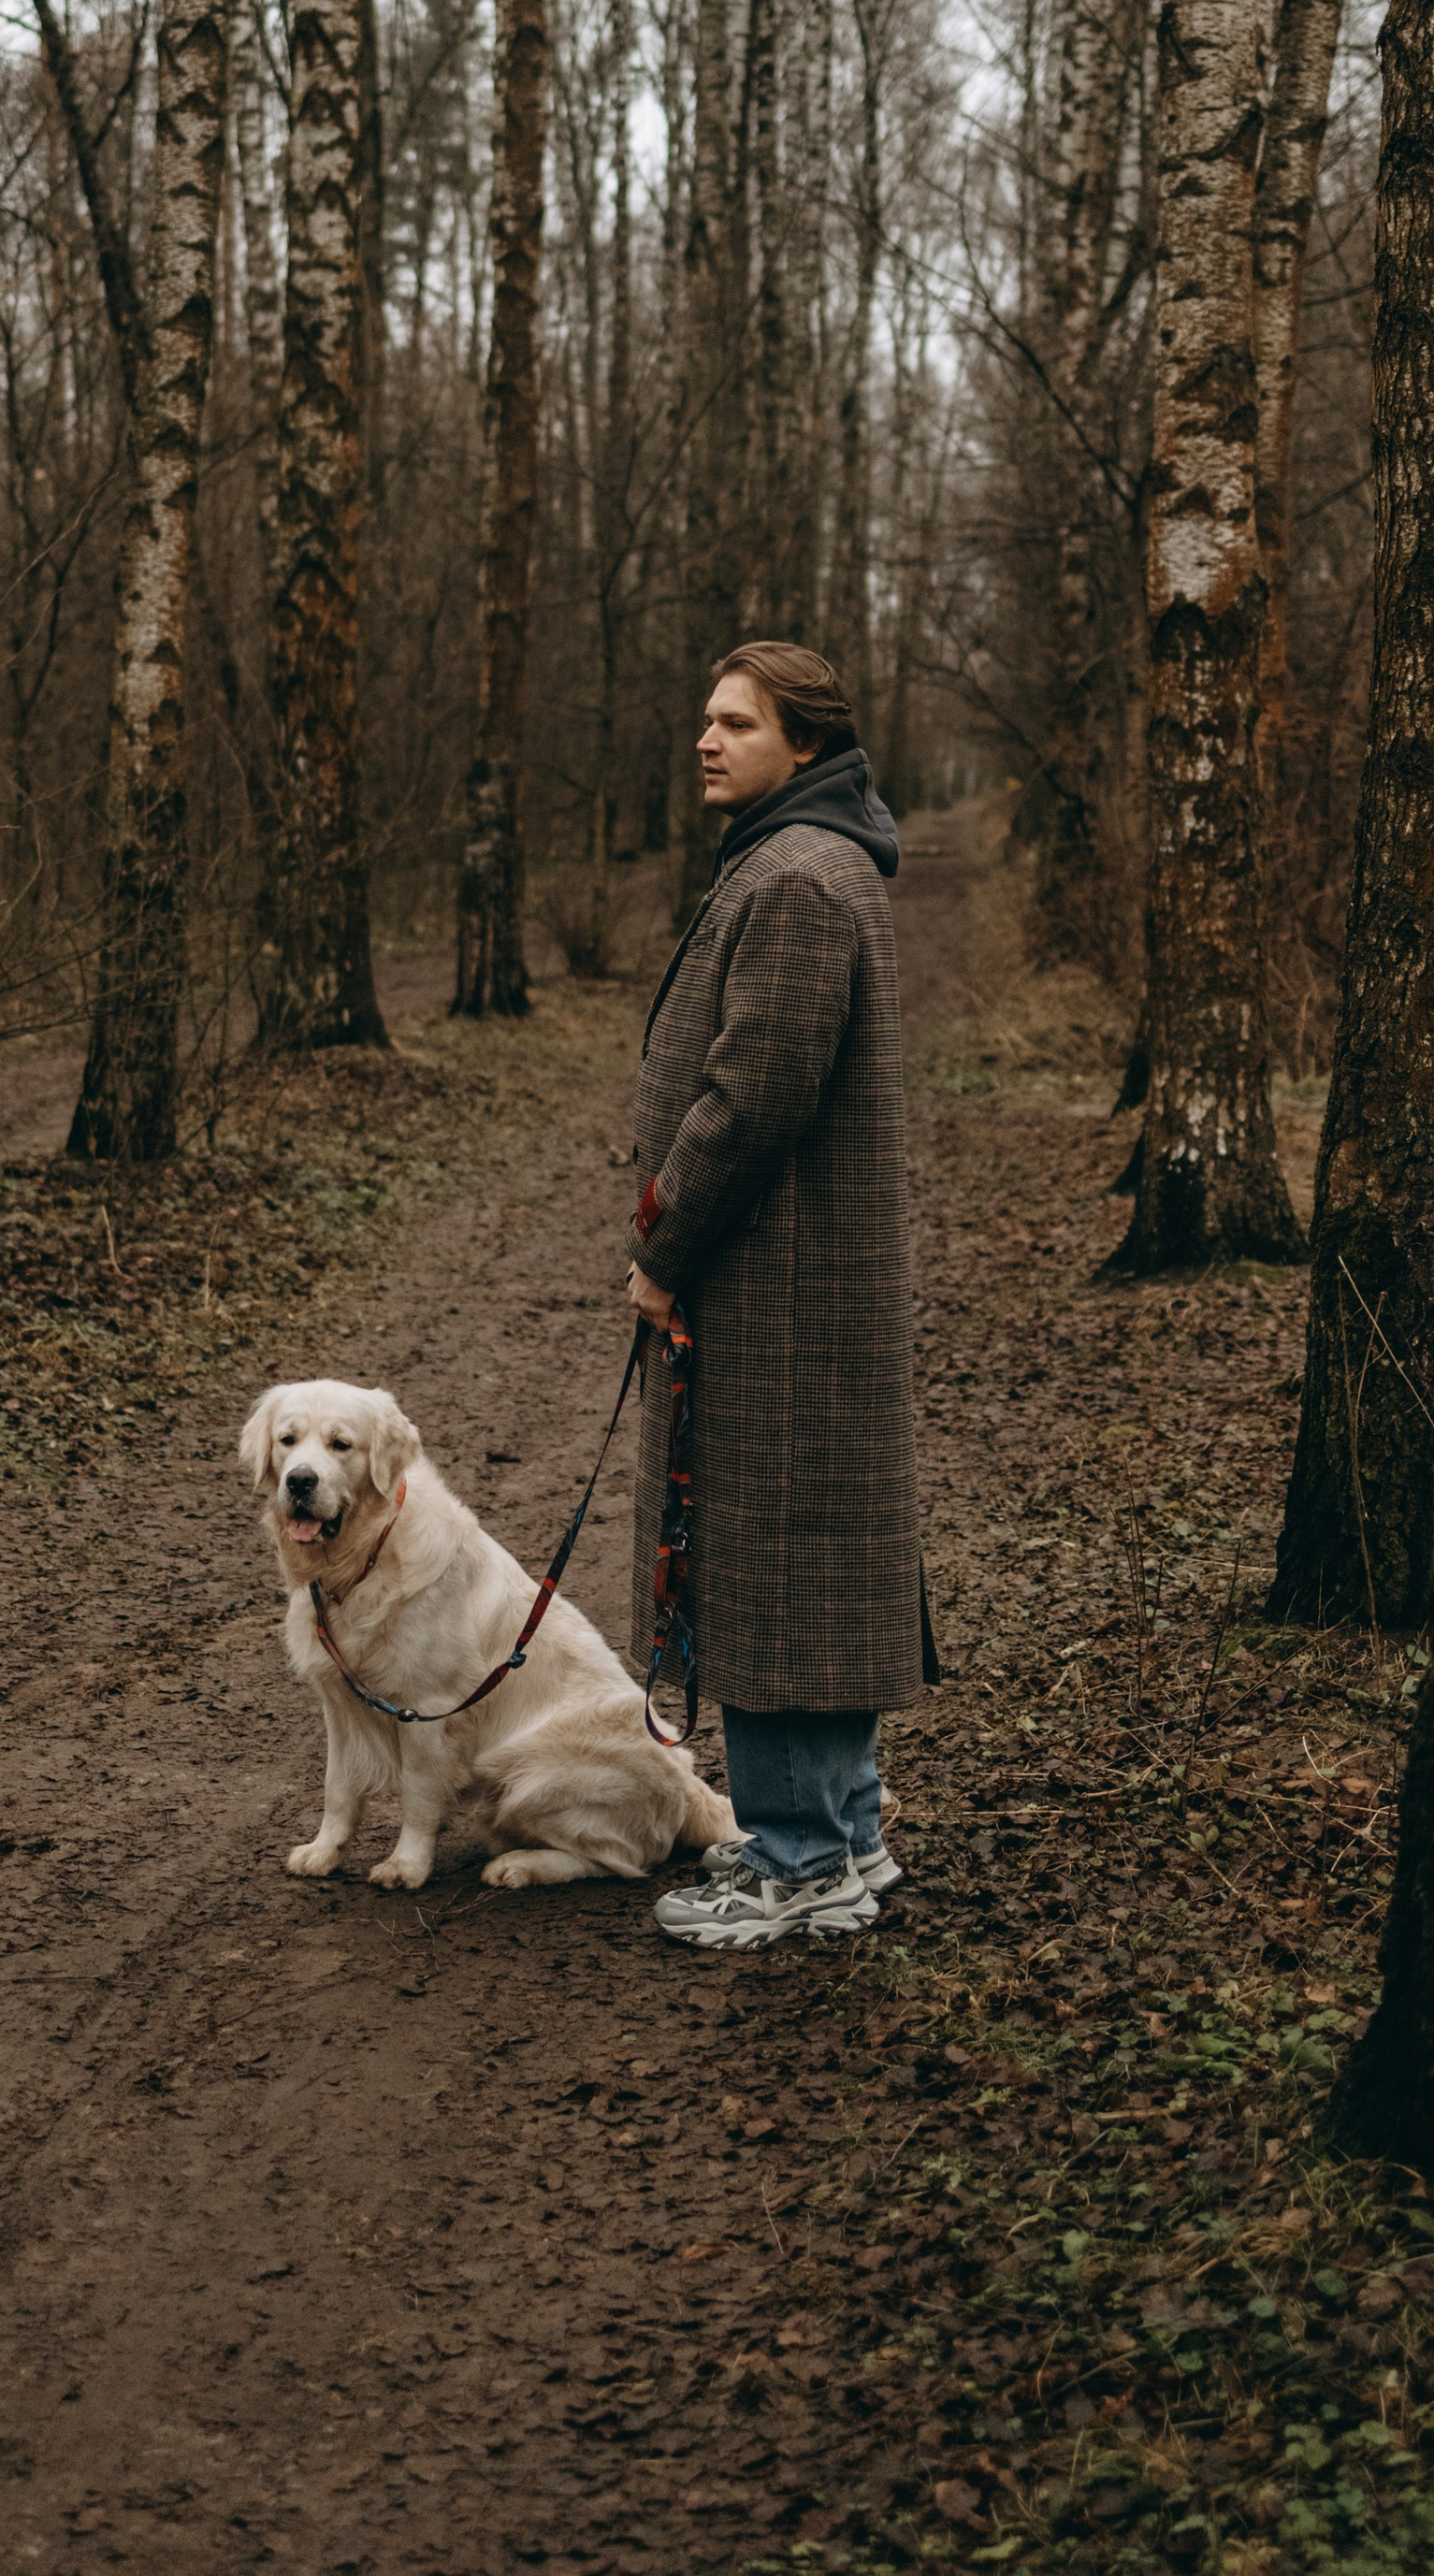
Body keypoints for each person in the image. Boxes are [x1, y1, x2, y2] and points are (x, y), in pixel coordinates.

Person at [625, 641, 934, 1949]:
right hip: (784, 1278)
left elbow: (752, 1097)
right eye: (704, 717)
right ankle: (845, 1836)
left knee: (776, 1567)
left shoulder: (800, 877)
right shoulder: (799, 856)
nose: (707, 738)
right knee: (806, 1562)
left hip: (779, 1285)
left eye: (735, 722)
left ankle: (800, 1856)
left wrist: (664, 1244)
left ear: (802, 746)